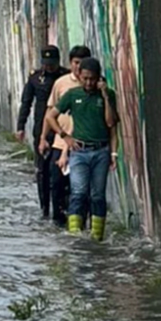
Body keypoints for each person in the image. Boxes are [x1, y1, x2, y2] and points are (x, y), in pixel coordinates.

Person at [45, 57, 119, 241]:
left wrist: (104, 96)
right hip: (79, 152)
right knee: (78, 192)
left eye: (92, 79)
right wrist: (65, 137)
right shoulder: (72, 95)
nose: (88, 83)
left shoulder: (108, 95)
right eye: (85, 78)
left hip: (101, 151)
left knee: (97, 195)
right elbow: (50, 117)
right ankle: (75, 235)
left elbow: (111, 123)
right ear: (79, 76)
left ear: (98, 78)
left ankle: (96, 237)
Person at [40, 45, 92, 226]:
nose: (78, 67)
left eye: (82, 63)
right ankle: (58, 221)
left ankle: (79, 222)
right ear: (70, 63)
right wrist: (42, 138)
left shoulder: (93, 84)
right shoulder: (61, 84)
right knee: (56, 183)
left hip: (84, 145)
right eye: (76, 63)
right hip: (60, 142)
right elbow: (50, 112)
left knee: (82, 188)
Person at [16, 45, 69, 221]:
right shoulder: (35, 78)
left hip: (62, 128)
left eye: (52, 63)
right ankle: (45, 208)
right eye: (46, 64)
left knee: (61, 171)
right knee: (42, 171)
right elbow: (26, 102)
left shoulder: (65, 77)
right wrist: (20, 126)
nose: (49, 67)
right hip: (42, 130)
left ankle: (62, 207)